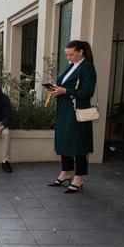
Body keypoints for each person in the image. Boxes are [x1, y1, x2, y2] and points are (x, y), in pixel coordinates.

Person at [47, 40, 97, 193]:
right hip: (64, 110)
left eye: (71, 54)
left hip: (77, 111)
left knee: (78, 144)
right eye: (66, 54)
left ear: (81, 52)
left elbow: (88, 92)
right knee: (64, 141)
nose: (68, 57)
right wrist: (55, 89)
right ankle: (65, 173)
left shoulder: (87, 67)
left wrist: (65, 91)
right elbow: (64, 83)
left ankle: (79, 177)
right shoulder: (71, 65)